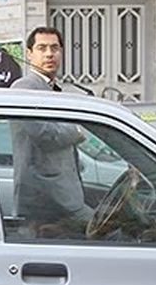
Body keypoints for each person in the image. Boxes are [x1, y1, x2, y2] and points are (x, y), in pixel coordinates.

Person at [9, 26, 93, 233]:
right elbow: (45, 135)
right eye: (42, 48)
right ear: (29, 54)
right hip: (45, 201)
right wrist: (78, 131)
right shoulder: (25, 88)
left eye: (55, 48)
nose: (49, 54)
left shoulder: (52, 88)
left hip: (61, 198)